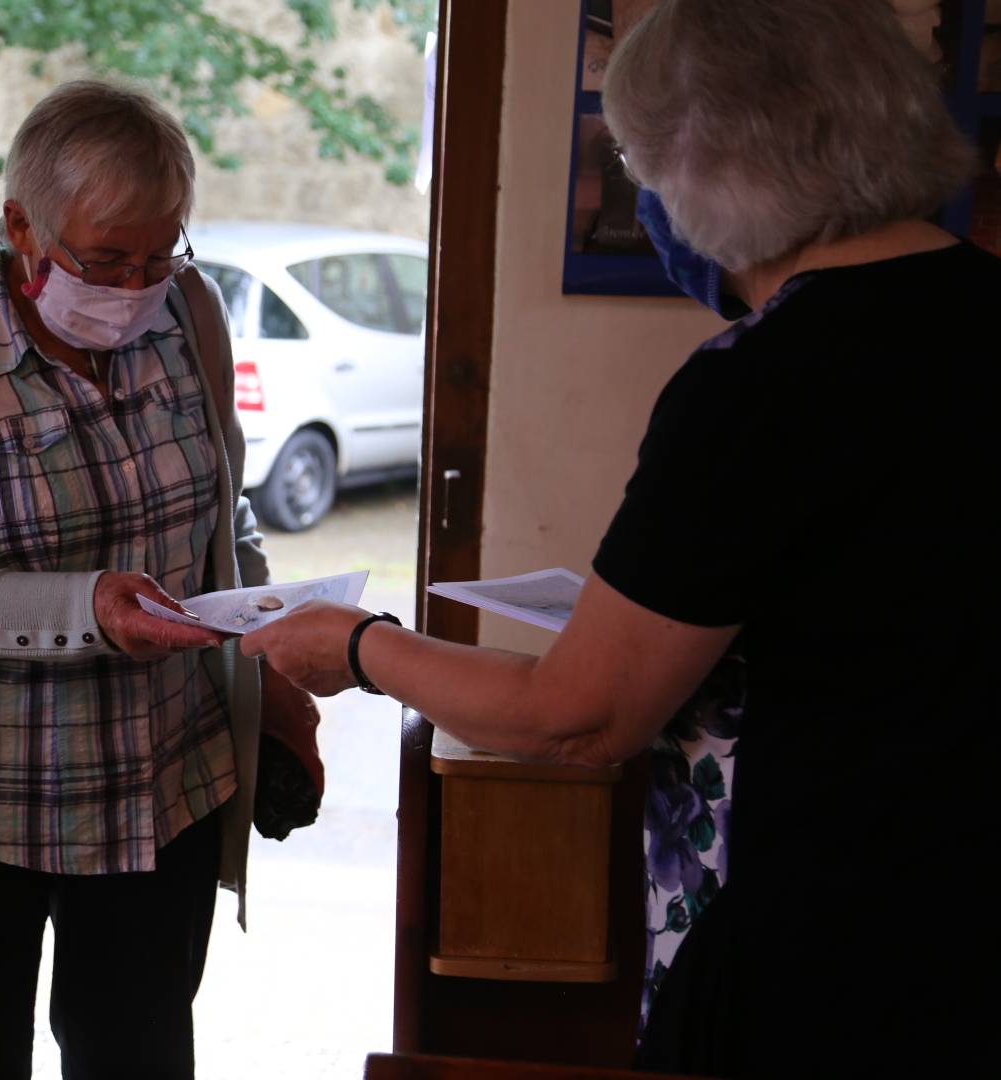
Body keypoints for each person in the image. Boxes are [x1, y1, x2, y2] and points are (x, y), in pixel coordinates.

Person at [243, 0, 998, 1074]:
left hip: (839, 951)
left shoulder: (764, 386)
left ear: (712, 167)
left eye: (641, 168)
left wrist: (359, 646)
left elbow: (578, 720)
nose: (645, 201)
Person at [0, 80, 277, 1079]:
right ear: (20, 227)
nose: (135, 286)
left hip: (162, 782)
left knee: (139, 1055)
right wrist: (84, 609)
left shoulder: (191, 314)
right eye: (104, 259)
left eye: (158, 254)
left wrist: (268, 643)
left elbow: (227, 511)